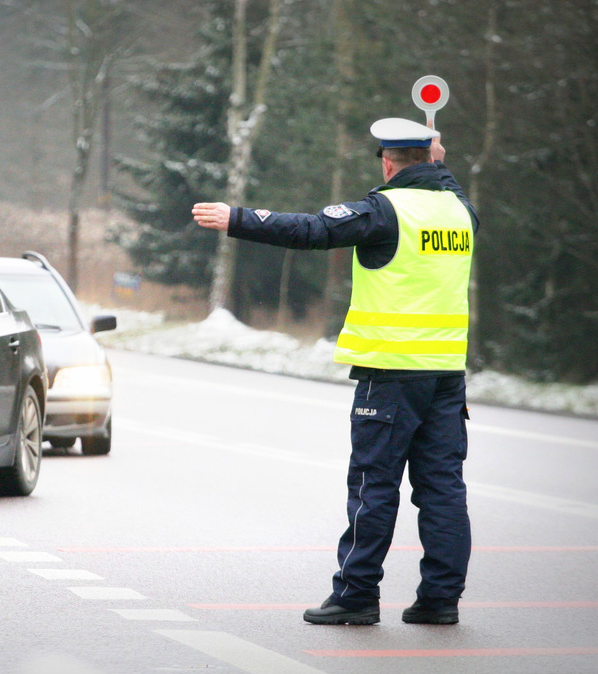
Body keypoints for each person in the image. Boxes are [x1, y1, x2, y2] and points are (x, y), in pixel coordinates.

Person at [191, 117, 478, 625]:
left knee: (373, 486)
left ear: (388, 162)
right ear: (432, 160)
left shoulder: (384, 210)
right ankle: (440, 601)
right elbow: (445, 184)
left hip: (390, 373)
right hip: (447, 374)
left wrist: (238, 218)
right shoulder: (462, 211)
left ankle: (356, 595)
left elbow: (313, 230)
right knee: (443, 488)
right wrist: (439, 160)